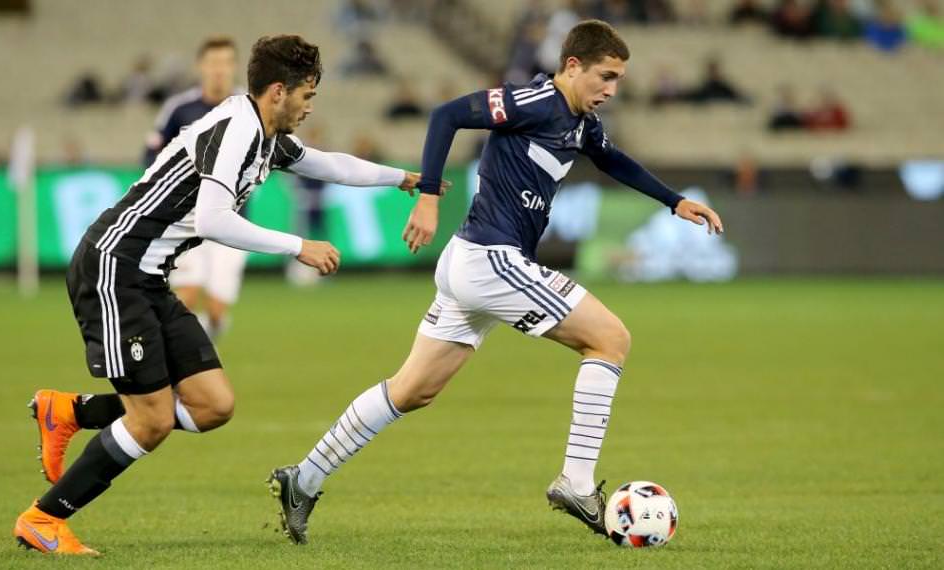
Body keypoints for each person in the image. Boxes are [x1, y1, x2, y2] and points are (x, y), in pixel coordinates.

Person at [268, 20, 723, 545]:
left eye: (618, 79)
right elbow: (447, 115)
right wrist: (430, 195)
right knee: (610, 339)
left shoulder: (581, 123)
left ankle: (303, 479)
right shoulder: (534, 100)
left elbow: (612, 159)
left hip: (472, 263)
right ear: (572, 65)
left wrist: (674, 201)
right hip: (491, 259)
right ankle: (576, 484)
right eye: (606, 76)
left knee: (411, 390)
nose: (612, 89)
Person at [13, 34, 421, 555]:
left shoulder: (266, 134)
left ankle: (70, 411)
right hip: (114, 268)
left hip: (148, 278)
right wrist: (297, 245)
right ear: (278, 91)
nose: (310, 106)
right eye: (307, 95)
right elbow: (212, 219)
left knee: (212, 405)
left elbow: (330, 165)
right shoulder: (235, 131)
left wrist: (401, 177)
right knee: (152, 421)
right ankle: (44, 518)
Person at [143, 36, 247, 340]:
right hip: (186, 220)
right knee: (184, 299)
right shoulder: (180, 109)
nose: (219, 70)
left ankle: (202, 348)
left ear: (234, 66)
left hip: (232, 219)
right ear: (201, 66)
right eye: (213, 62)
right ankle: (187, 361)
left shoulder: (248, 107)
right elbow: (152, 153)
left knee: (216, 311)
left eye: (225, 62)